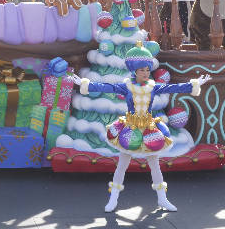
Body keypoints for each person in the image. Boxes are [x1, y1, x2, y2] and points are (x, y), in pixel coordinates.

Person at [71, 42, 210, 212]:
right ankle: (113, 199)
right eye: (142, 70)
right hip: (130, 129)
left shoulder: (153, 87)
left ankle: (162, 199)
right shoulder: (126, 86)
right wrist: (86, 84)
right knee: (122, 164)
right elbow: (107, 87)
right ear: (134, 71)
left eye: (147, 69)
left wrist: (193, 85)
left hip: (149, 129)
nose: (146, 73)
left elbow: (172, 87)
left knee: (155, 164)